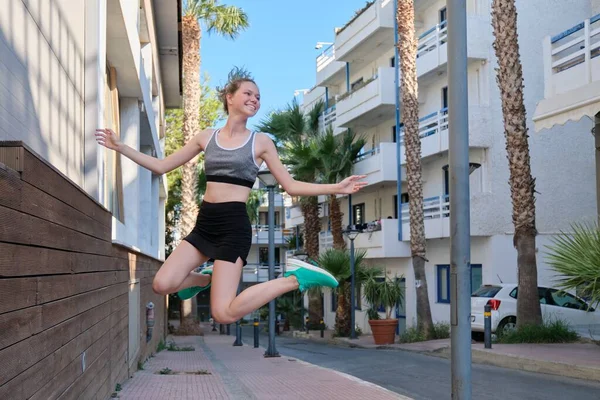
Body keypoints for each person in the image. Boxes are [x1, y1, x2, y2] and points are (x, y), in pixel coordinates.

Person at [95, 72, 367, 325]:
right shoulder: (206, 137)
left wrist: (337, 188)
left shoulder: (261, 142)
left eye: (258, 97)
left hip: (233, 228)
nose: (254, 100)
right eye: (248, 93)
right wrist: (121, 147)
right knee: (161, 284)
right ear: (230, 97)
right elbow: (161, 166)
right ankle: (205, 279)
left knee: (223, 314)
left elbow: (291, 186)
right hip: (205, 224)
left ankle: (295, 279)